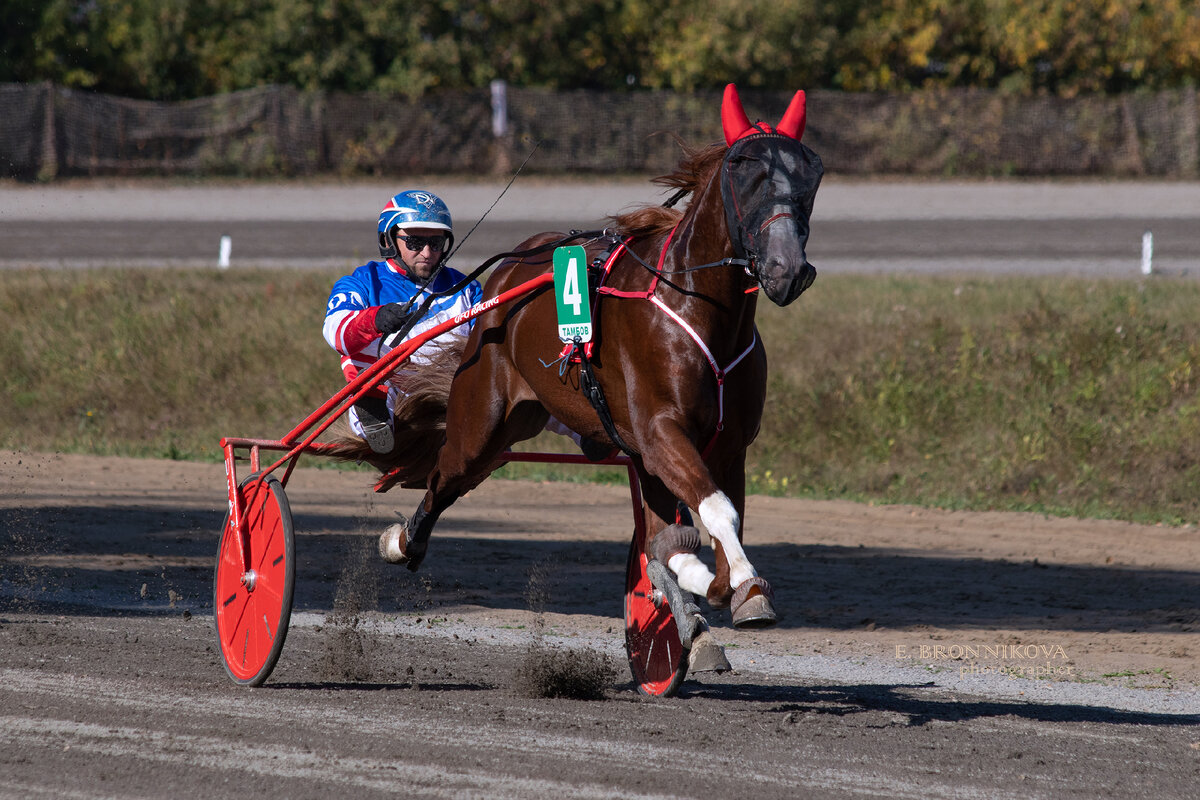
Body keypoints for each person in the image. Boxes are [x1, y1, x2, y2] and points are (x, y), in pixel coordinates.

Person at [324, 190, 481, 454]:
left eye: (437, 243)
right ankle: (373, 413)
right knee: (360, 353)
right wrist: (376, 318)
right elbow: (335, 332)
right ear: (389, 239)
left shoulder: (466, 288)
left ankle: (575, 425)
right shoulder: (363, 281)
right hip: (392, 385)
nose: (428, 253)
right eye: (415, 242)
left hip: (452, 388)